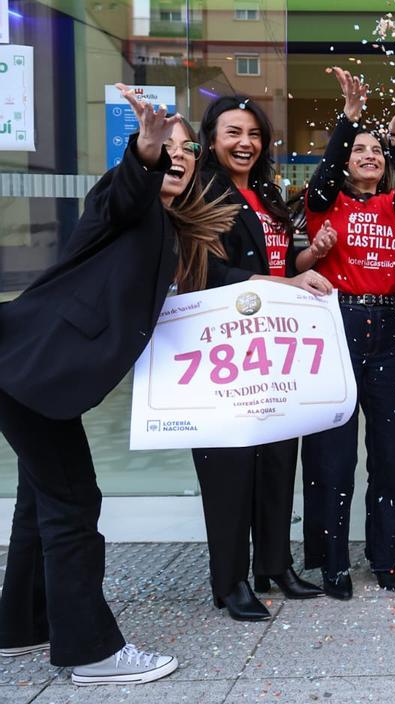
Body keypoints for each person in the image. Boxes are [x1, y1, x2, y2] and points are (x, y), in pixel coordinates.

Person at [0, 85, 238, 684]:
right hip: (31, 368)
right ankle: (91, 652)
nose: (178, 157)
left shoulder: (163, 227)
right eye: (170, 148)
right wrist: (144, 151)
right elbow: (125, 190)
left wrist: (291, 285)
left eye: (187, 152)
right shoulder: (121, 204)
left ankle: (20, 627)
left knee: (39, 499)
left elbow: (215, 277)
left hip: (34, 370)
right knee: (74, 504)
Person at [194, 94, 334, 621]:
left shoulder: (268, 192)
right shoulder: (200, 193)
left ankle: (274, 565)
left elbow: (281, 260)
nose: (245, 143)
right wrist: (275, 281)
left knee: (278, 458)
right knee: (230, 468)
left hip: (273, 344)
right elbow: (198, 271)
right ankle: (229, 581)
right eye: (233, 132)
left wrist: (307, 262)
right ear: (211, 139)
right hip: (223, 347)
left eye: (253, 134)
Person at [300, 68, 395, 599]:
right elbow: (326, 169)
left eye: (377, 151)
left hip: (389, 326)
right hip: (337, 322)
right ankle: (331, 561)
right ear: (346, 159)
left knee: (391, 450)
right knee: (334, 452)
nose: (369, 156)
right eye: (360, 150)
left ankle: (385, 554)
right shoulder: (326, 203)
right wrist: (347, 121)